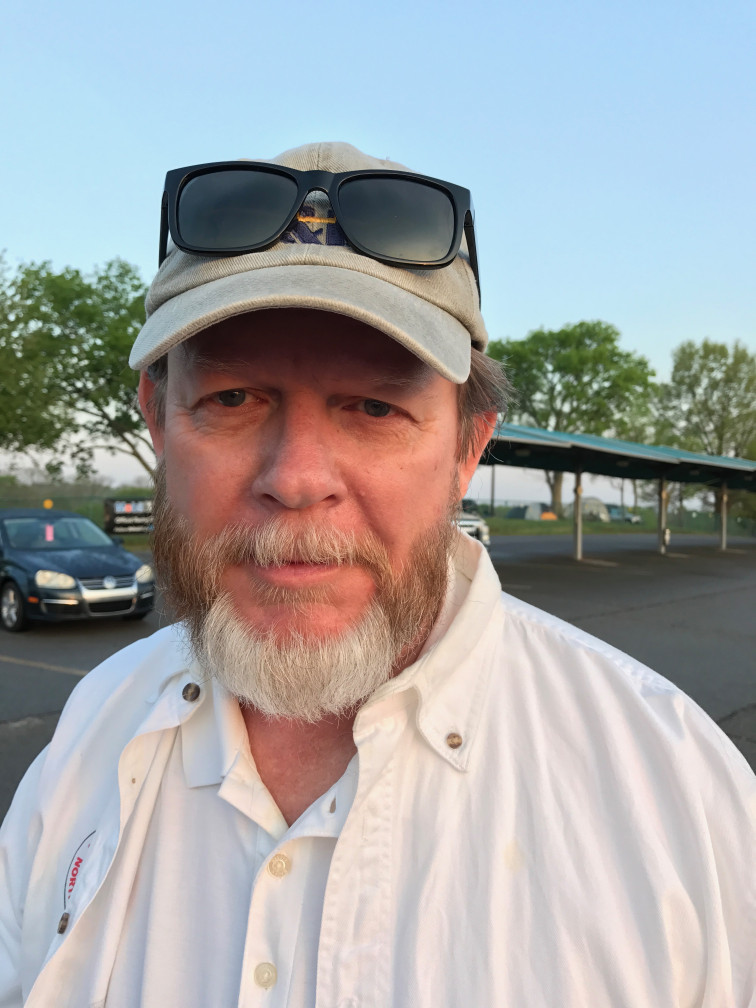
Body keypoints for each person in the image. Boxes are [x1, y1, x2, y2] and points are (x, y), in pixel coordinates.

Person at [1, 142, 754, 1008]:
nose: (296, 479)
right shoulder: (93, 732)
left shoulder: (676, 794)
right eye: (233, 399)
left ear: (468, 448)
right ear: (158, 421)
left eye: (374, 407)